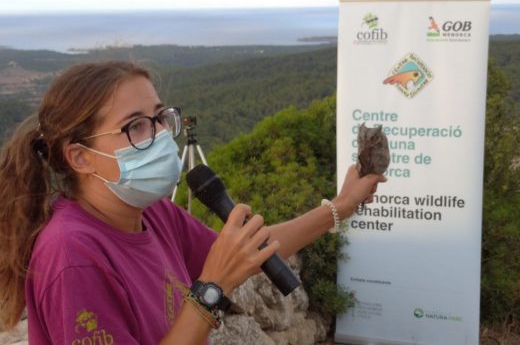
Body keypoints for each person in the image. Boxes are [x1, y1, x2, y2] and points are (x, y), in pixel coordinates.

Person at [0, 61, 385, 344]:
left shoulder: (153, 213)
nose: (162, 136)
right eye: (136, 126)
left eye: (159, 118)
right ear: (81, 157)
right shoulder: (73, 256)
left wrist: (342, 205)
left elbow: (248, 251)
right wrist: (211, 288)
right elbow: (219, 273)